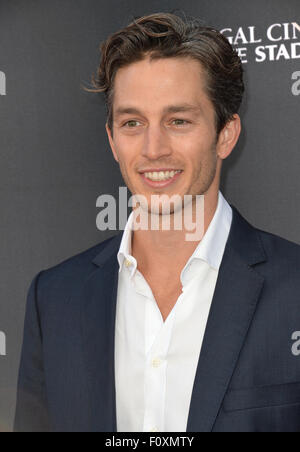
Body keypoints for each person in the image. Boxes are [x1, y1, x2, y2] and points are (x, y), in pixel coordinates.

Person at [14, 11, 300, 432]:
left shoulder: (294, 287)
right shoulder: (54, 298)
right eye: (133, 123)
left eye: (178, 121)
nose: (153, 149)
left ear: (225, 135)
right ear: (112, 140)